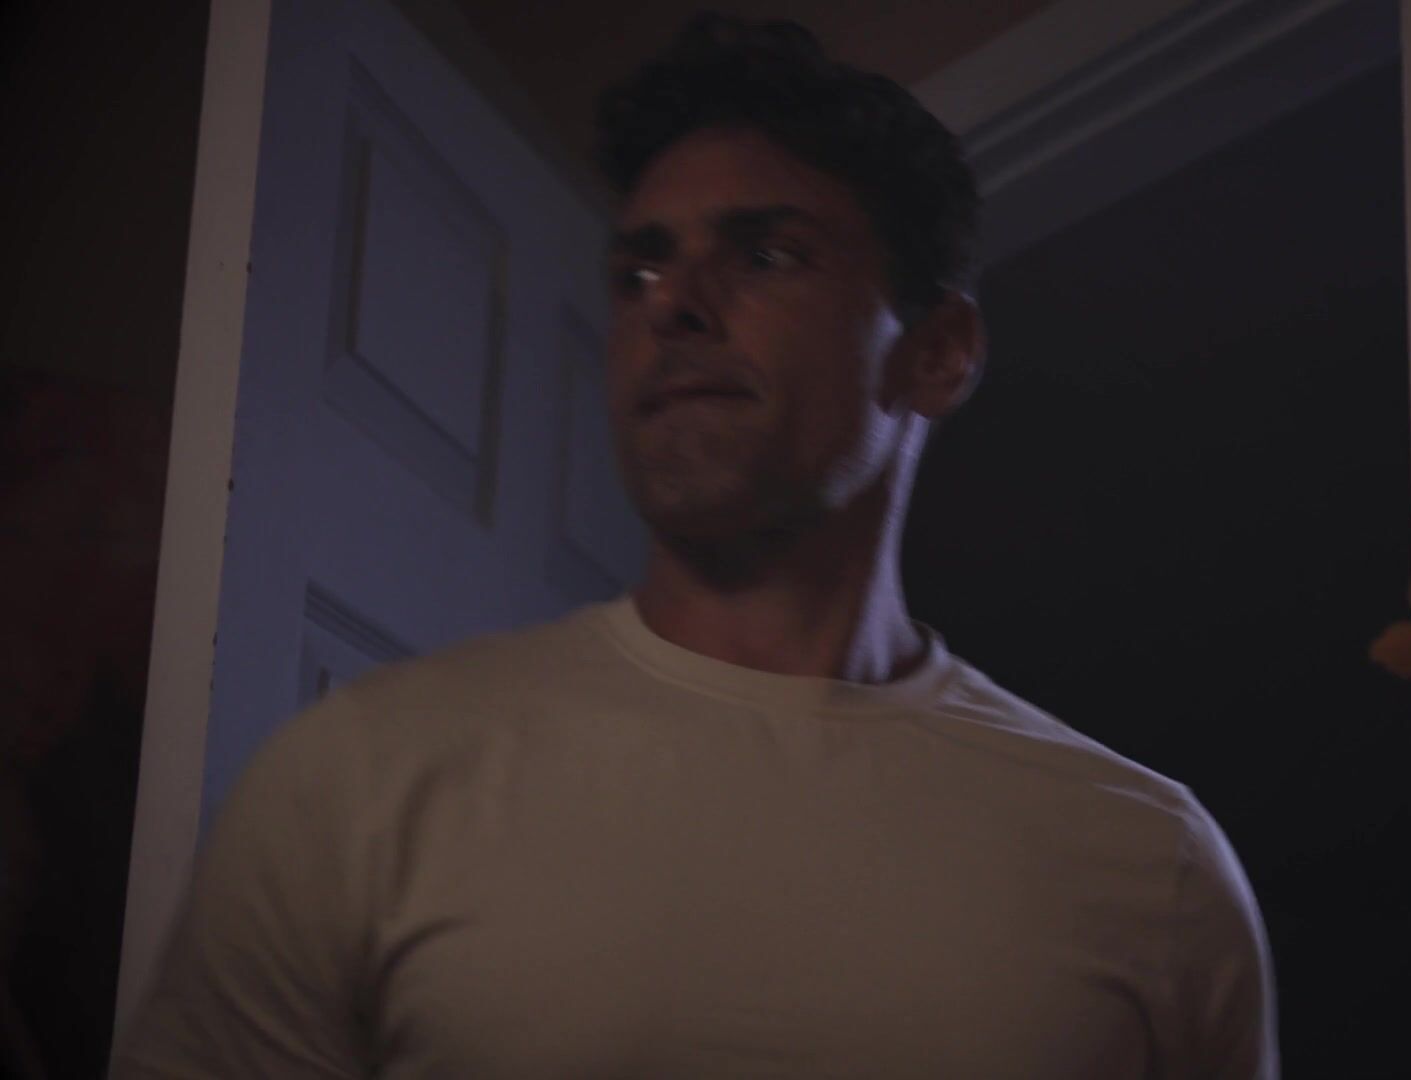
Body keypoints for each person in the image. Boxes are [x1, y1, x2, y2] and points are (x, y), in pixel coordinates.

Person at [110, 13, 1279, 1078]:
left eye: (766, 255)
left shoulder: (1152, 867)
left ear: (936, 353)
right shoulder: (357, 782)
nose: (671, 303)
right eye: (640, 269)